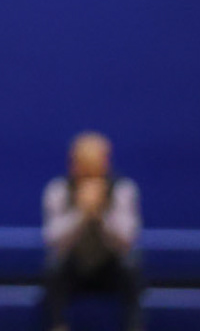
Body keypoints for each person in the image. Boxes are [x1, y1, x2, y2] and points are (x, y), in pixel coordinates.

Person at [43, 131, 143, 331]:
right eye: (82, 163)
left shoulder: (123, 189)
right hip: (74, 268)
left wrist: (100, 215)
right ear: (73, 164)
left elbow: (127, 239)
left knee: (131, 267)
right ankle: (57, 326)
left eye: (94, 163)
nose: (88, 171)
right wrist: (81, 214)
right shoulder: (58, 189)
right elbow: (52, 239)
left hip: (110, 267)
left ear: (105, 163)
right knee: (53, 268)